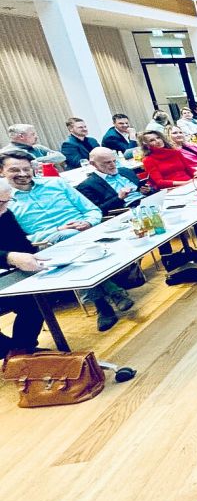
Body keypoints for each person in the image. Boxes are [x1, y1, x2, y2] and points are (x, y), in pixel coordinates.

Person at [1, 151, 134, 330]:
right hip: (47, 246)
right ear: (2, 171)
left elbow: (92, 210)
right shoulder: (5, 201)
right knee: (63, 237)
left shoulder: (56, 183)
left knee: (69, 238)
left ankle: (102, 304)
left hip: (87, 234)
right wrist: (57, 231)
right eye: (15, 170)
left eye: (26, 168)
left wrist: (87, 222)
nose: (23, 174)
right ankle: (112, 292)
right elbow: (21, 240)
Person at [0, 178, 45, 359]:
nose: (5, 208)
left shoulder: (4, 213)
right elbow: (12, 255)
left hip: (6, 279)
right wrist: (8, 257)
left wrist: (34, 255)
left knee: (35, 298)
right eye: (0, 203)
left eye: (7, 201)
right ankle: (14, 353)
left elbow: (22, 245)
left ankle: (21, 351)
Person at [76, 147, 151, 214]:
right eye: (107, 162)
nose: (113, 165)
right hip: (126, 210)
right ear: (93, 164)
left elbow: (144, 189)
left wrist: (147, 190)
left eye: (114, 161)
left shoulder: (125, 171)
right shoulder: (87, 186)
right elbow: (97, 211)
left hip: (146, 201)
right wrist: (118, 198)